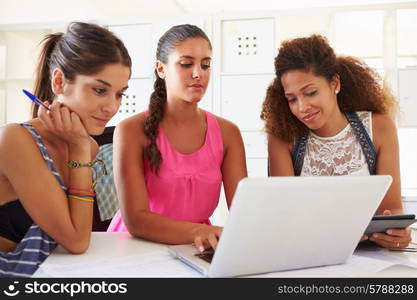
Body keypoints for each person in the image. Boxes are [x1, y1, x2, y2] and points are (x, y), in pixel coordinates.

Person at [0, 22, 131, 277]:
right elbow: (76, 240)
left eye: (119, 94)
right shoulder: (14, 139)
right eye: (100, 90)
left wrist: (82, 147)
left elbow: (77, 236)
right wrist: (80, 149)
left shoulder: (88, 145)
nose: (111, 107)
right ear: (59, 82)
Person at [260, 34, 411, 249]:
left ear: (335, 83)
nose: (301, 108)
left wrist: (398, 234)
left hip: (370, 257)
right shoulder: (282, 138)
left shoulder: (379, 128)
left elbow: (392, 208)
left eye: (310, 93)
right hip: (309, 254)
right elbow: (286, 218)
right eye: (292, 99)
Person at [107, 24, 247, 252]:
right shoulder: (130, 130)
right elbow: (136, 220)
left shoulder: (228, 132)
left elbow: (244, 211)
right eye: (186, 64)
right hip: (135, 246)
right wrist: (196, 232)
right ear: (161, 69)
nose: (198, 73)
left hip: (197, 246)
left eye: (205, 65)